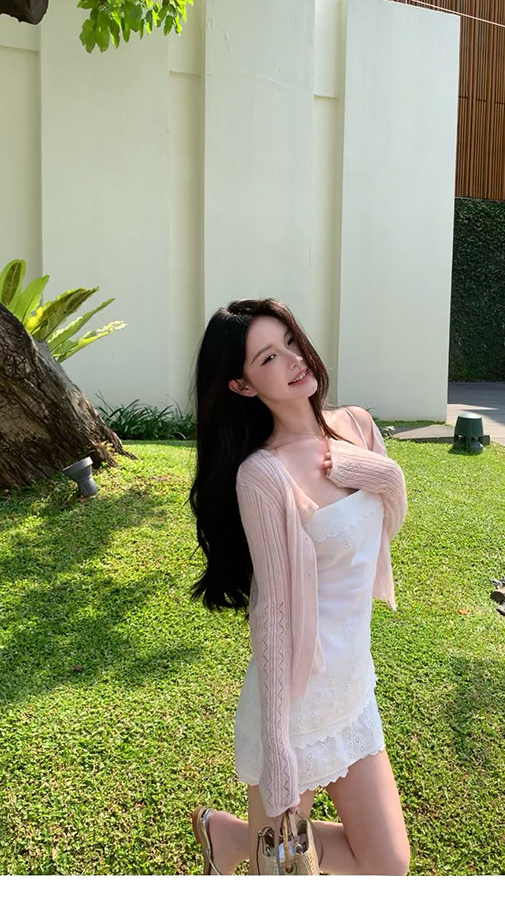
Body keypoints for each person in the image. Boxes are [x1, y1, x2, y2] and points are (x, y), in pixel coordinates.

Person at [189, 298, 409, 875]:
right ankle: (240, 839)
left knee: (388, 864)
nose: (293, 360)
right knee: (281, 878)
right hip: (295, 704)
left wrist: (386, 474)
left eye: (290, 341)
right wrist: (279, 749)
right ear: (241, 385)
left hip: (352, 685)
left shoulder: (357, 425)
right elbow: (274, 614)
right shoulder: (263, 474)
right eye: (268, 357)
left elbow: (380, 533)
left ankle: (228, 836)